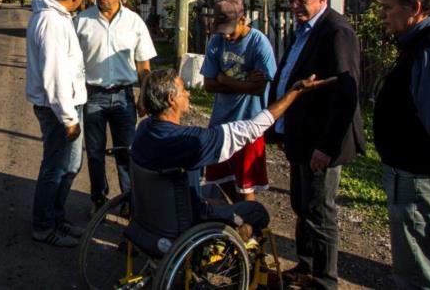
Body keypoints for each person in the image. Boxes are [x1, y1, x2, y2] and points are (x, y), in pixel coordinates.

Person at [132, 69, 332, 237]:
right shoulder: (191, 140)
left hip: (150, 218)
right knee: (256, 211)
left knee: (212, 190)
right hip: (183, 221)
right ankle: (239, 254)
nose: (188, 94)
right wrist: (294, 93)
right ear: (171, 99)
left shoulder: (142, 130)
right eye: (184, 90)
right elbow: (252, 128)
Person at [269, 0, 364, 290]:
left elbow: (346, 94)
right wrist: (279, 129)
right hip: (299, 135)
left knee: (320, 211)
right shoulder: (302, 30)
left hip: (320, 141)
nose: (294, 5)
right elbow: (289, 77)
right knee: (301, 204)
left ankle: (324, 280)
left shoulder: (336, 31)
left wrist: (327, 146)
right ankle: (306, 265)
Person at [374, 0, 430, 289]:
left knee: (419, 271)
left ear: (414, 7)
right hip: (412, 177)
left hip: (420, 179)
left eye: (388, 8)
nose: (383, 15)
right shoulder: (417, 45)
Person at [74, 0, 156, 216]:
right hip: (93, 95)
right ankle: (99, 199)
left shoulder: (134, 23)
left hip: (123, 97)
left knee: (127, 152)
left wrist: (144, 95)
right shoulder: (82, 22)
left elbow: (144, 65)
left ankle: (130, 200)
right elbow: (72, 63)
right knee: (95, 153)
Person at [26, 0, 89, 247]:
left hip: (67, 106)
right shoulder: (51, 22)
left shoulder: (60, 18)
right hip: (59, 111)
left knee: (71, 164)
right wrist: (68, 118)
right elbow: (54, 75)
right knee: (55, 168)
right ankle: (43, 226)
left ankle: (55, 216)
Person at [201, 0, 276, 203]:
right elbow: (208, 84)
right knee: (218, 181)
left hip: (249, 124)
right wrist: (244, 82)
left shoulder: (259, 43)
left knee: (246, 185)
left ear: (243, 20)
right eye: (221, 29)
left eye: (229, 29)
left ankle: (251, 228)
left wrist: (224, 78)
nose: (225, 36)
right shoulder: (216, 41)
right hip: (221, 123)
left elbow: (259, 89)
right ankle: (230, 223)